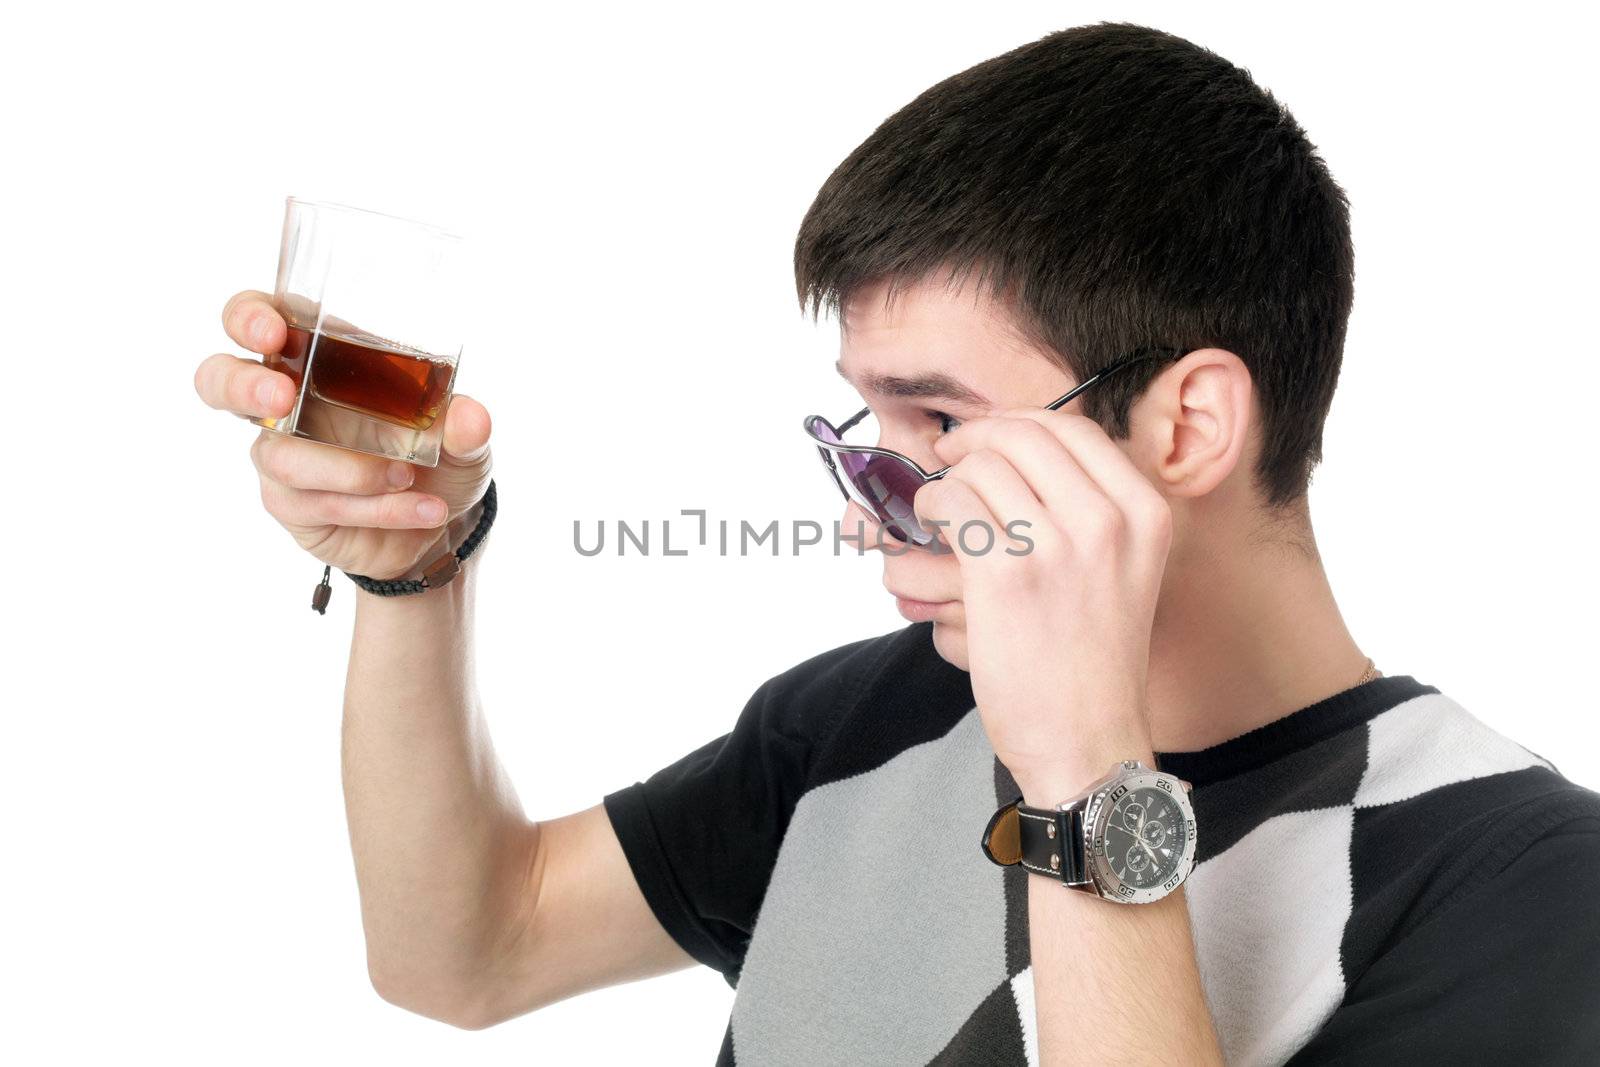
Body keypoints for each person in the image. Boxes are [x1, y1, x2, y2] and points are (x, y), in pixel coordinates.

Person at [194, 21, 1600, 1067]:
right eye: (866, 427)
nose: (875, 500)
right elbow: (467, 952)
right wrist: (411, 568)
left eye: (938, 421)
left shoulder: (1520, 882)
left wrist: (1089, 780)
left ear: (1188, 428)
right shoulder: (882, 717)